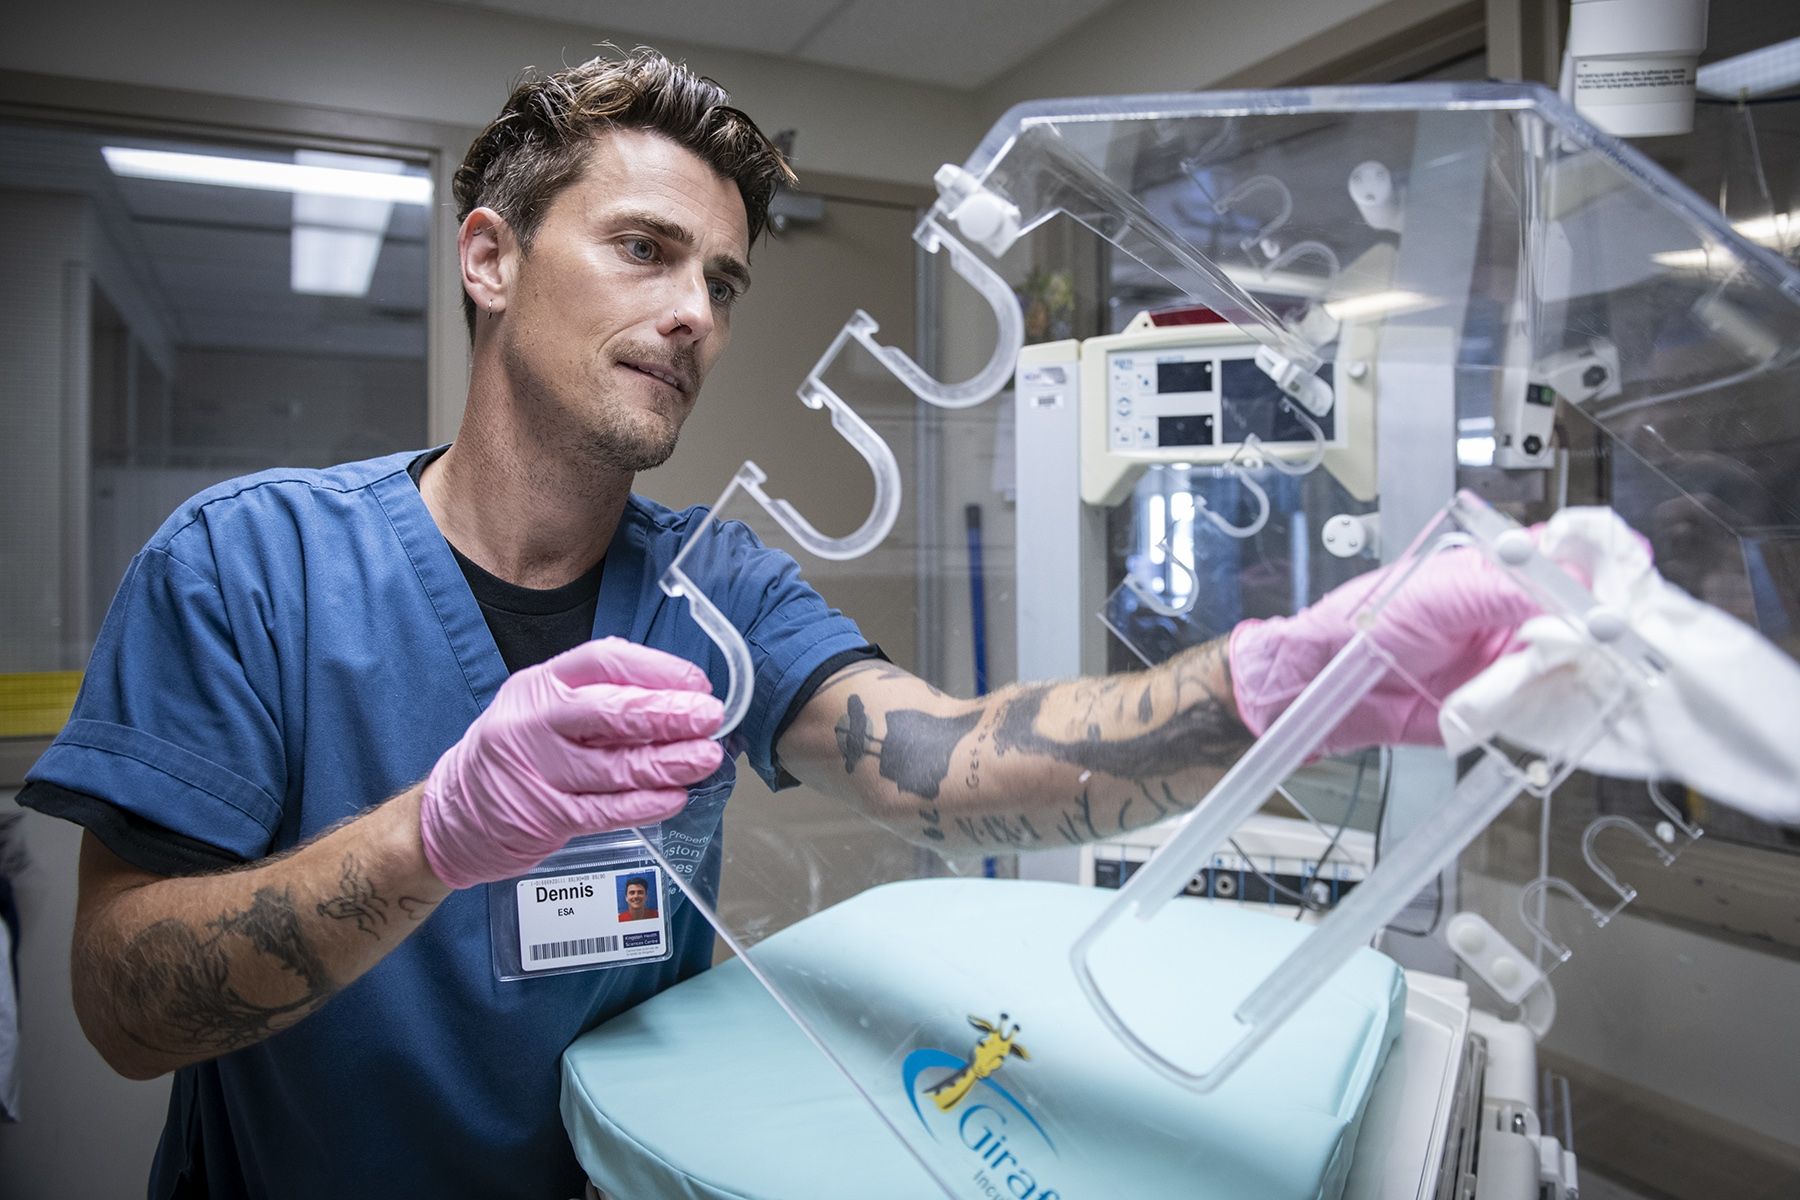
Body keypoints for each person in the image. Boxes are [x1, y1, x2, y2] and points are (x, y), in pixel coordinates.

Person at [16, 47, 1541, 1200]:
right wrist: (438, 835)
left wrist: (1285, 681)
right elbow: (125, 1008)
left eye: (725, 280)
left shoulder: (714, 591)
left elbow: (936, 759)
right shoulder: (250, 566)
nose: (696, 313)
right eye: (644, 250)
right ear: (490, 258)